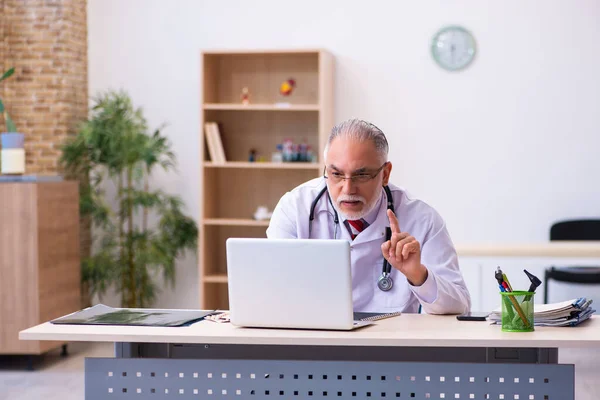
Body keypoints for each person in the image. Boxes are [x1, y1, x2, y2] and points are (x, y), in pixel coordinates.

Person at [266, 118, 471, 314]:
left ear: (385, 174)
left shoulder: (422, 219)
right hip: (314, 341)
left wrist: (419, 275)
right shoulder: (294, 208)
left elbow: (460, 306)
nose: (348, 188)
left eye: (361, 175)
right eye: (336, 174)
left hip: (390, 345)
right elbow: (271, 291)